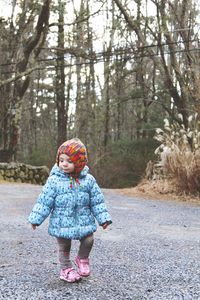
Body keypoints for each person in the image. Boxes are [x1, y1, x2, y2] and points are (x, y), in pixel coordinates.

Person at [28, 138, 112, 283]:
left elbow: (97, 201)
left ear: (79, 163)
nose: (64, 164)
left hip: (83, 220)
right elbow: (44, 201)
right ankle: (66, 269)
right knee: (64, 246)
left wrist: (103, 218)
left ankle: (82, 258)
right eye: (61, 160)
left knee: (88, 240)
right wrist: (36, 219)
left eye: (69, 161)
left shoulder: (89, 180)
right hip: (61, 221)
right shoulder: (54, 181)